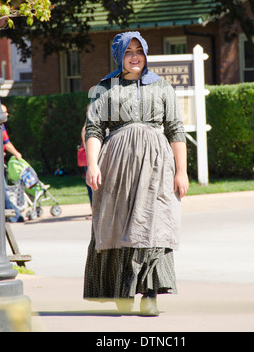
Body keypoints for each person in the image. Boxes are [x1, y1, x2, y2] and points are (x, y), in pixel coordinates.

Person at [83, 31, 189, 316]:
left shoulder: (163, 87)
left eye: (138, 50)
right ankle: (122, 290)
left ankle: (151, 294)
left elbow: (176, 130)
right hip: (116, 166)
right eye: (128, 51)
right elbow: (93, 129)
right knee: (118, 226)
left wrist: (182, 171)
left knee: (155, 224)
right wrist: (92, 165)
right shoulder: (103, 88)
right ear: (119, 56)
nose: (134, 57)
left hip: (157, 165)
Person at [2, 104, 24, 223]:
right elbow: (6, 143)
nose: (7, 114)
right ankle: (15, 216)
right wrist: (16, 153)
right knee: (2, 190)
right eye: (5, 112)